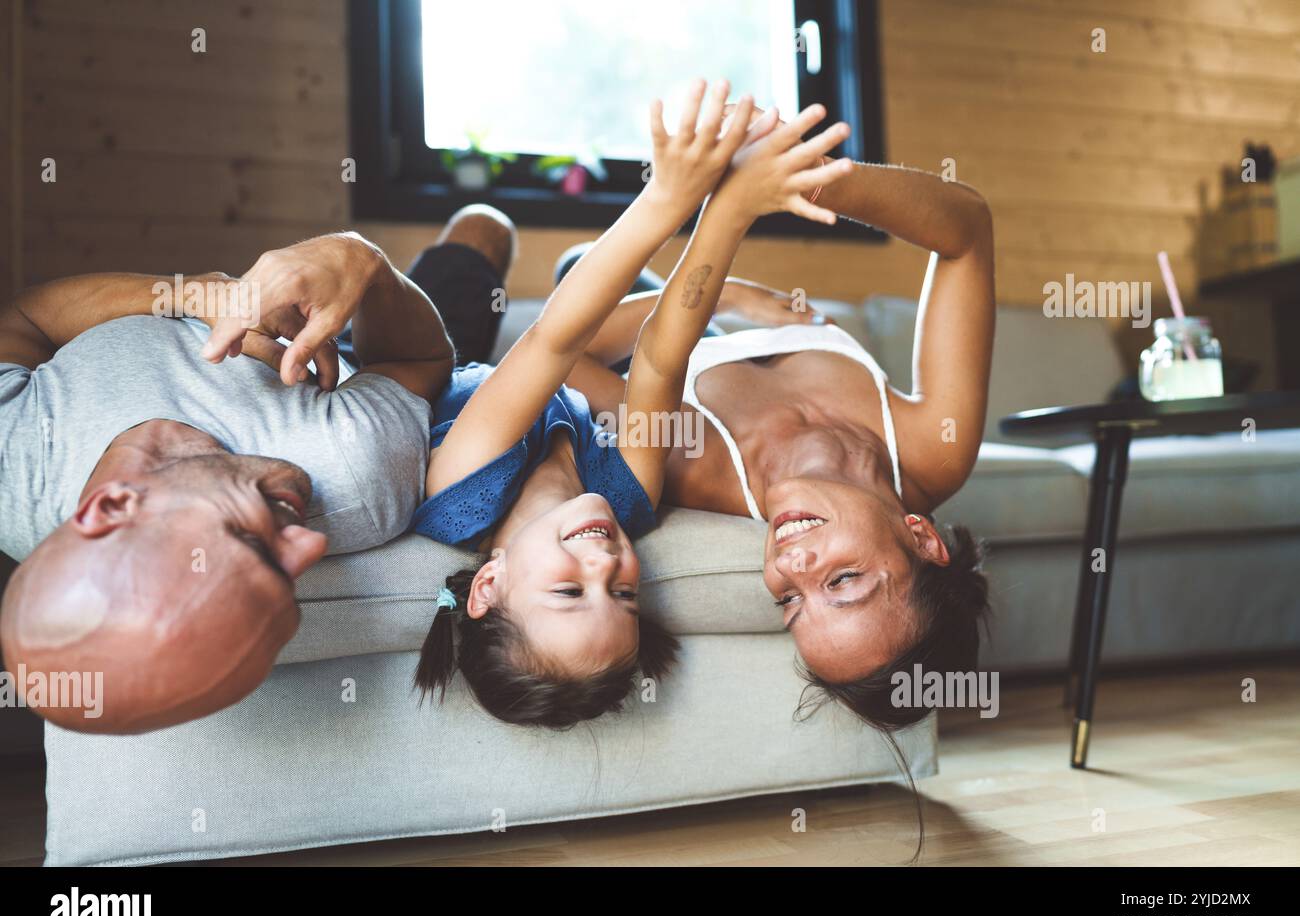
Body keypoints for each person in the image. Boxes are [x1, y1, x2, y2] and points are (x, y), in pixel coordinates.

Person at [409, 80, 854, 729]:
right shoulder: (628, 494)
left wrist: (668, 196)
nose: (605, 563)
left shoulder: (461, 492)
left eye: (569, 590)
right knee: (586, 275)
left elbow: (552, 340)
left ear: (487, 584)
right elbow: (656, 359)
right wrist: (725, 215)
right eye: (622, 593)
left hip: (445, 355)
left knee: (486, 225)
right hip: (556, 370)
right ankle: (584, 261)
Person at [567, 116, 996, 736]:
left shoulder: (698, 467)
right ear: (923, 540)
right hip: (699, 304)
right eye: (842, 580)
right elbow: (966, 231)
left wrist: (730, 272)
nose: (791, 565)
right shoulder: (936, 450)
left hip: (642, 333)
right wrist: (794, 178)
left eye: (790, 601)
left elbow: (566, 352)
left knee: (581, 261)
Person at [0, 229, 462, 733]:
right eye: (290, 581)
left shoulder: (14, 460)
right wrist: (365, 263)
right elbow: (420, 360)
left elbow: (25, 319)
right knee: (476, 242)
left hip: (273, 311)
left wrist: (194, 295)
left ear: (110, 507)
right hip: (364, 371)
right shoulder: (352, 469)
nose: (310, 544)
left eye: (248, 540)